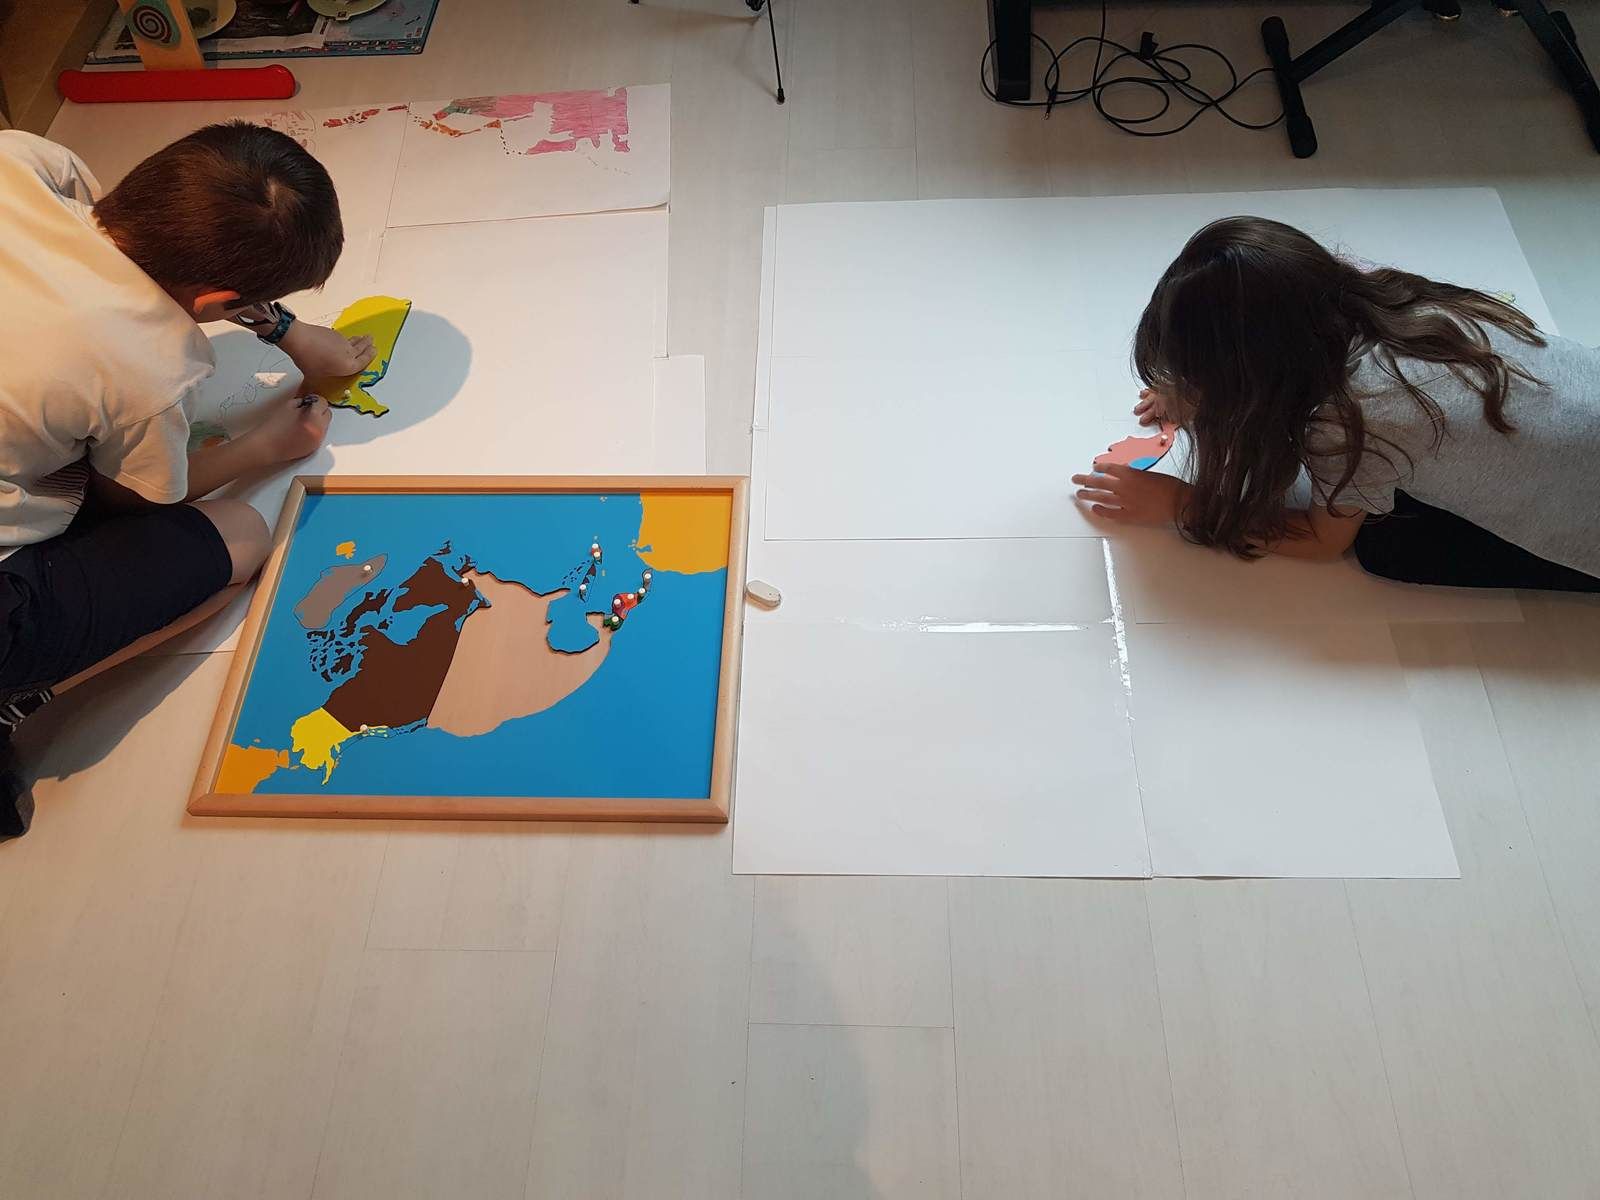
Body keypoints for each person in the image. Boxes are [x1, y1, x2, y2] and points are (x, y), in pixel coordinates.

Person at [0, 121, 377, 838]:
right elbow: (134, 501)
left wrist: (287, 330)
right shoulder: (144, 367)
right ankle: (13, 693)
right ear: (216, 302)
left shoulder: (22, 158)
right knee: (241, 538)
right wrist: (266, 446)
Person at [1072, 215, 1600, 593]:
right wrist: (1200, 385)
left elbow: (1322, 541)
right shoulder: (1374, 290)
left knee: (1381, 547)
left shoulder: (1353, 416)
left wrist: (1181, 503)